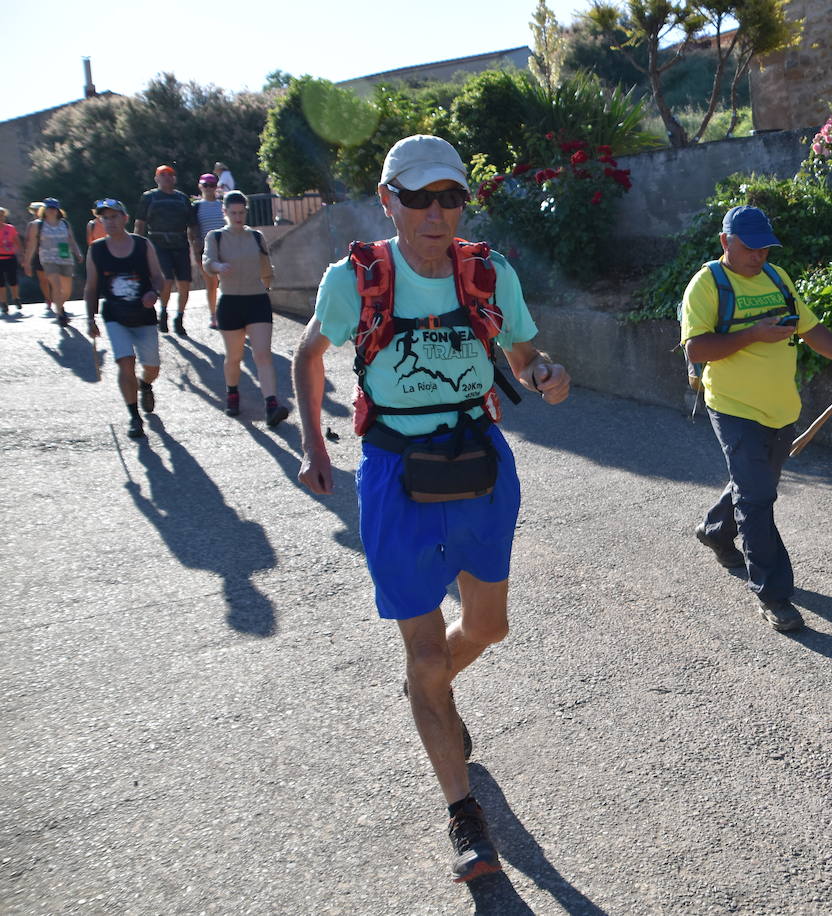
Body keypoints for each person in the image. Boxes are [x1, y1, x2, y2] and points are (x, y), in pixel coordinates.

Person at [293, 134, 571, 884]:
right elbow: (309, 355)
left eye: (450, 197)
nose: (437, 212)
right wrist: (316, 447)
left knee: (489, 627)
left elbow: (521, 355)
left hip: (480, 465)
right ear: (389, 201)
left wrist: (544, 371)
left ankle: (430, 688)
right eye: (419, 197)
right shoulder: (356, 280)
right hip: (393, 475)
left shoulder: (488, 271)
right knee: (422, 655)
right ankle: (465, 816)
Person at [681, 205, 832, 633]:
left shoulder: (777, 277)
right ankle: (773, 595)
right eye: (750, 247)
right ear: (725, 241)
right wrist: (752, 334)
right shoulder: (707, 285)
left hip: (782, 408)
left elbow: (810, 328)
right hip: (733, 407)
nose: (759, 255)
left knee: (755, 485)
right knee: (757, 500)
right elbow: (695, 349)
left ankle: (715, 530)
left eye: (765, 247)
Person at [203, 190, 288, 425]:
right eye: (233, 213)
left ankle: (271, 404)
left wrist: (267, 287)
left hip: (256, 300)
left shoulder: (256, 236)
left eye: (241, 212)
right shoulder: (216, 237)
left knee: (262, 354)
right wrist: (218, 266)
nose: (238, 217)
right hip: (230, 301)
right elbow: (207, 262)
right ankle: (232, 393)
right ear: (225, 213)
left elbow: (266, 267)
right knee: (234, 356)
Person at [83, 199, 164, 439]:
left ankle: (146, 384)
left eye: (114, 216)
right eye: (105, 218)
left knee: (152, 366)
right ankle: (134, 417)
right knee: (125, 362)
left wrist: (154, 292)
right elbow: (91, 287)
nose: (110, 222)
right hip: (115, 316)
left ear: (125, 218)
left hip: (144, 316)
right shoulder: (96, 250)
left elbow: (158, 277)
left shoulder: (142, 245)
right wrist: (91, 319)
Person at [134, 164, 195, 337]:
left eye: (170, 175)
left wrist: (196, 247)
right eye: (163, 175)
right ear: (156, 178)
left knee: (184, 283)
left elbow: (192, 225)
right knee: (166, 280)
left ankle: (180, 318)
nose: (167, 178)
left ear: (174, 178)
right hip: (158, 245)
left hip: (181, 244)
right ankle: (163, 311)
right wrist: (137, 245)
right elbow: (140, 223)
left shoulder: (182, 199)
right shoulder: (149, 198)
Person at [24, 198, 81, 327]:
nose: (51, 210)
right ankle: (60, 314)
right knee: (55, 285)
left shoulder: (65, 224)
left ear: (58, 210)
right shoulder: (37, 225)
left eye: (54, 208)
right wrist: (27, 262)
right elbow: (32, 244)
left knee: (67, 290)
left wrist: (77, 252)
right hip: (48, 258)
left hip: (65, 256)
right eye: (49, 208)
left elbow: (71, 240)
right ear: (44, 209)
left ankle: (60, 305)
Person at [193, 173, 227, 327]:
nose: (208, 188)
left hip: (226, 248)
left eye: (212, 185)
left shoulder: (223, 204)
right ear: (200, 186)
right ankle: (213, 315)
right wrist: (195, 251)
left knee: (227, 283)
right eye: (205, 185)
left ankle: (227, 313)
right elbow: (192, 230)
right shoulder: (196, 206)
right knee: (211, 284)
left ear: (216, 187)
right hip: (207, 251)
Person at [26, 203, 49, 312]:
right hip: (38, 255)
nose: (35, 212)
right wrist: (27, 260)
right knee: (43, 279)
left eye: (37, 210)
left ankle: (58, 298)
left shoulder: (52, 223)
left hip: (52, 254)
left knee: (55, 278)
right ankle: (48, 299)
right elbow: (29, 242)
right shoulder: (32, 225)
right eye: (33, 210)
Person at [0, 208, 22, 314]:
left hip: (10, 257)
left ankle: (16, 298)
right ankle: (3, 302)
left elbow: (17, 241)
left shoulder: (10, 228)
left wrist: (22, 255)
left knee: (13, 279)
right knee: (1, 283)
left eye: (2, 215)